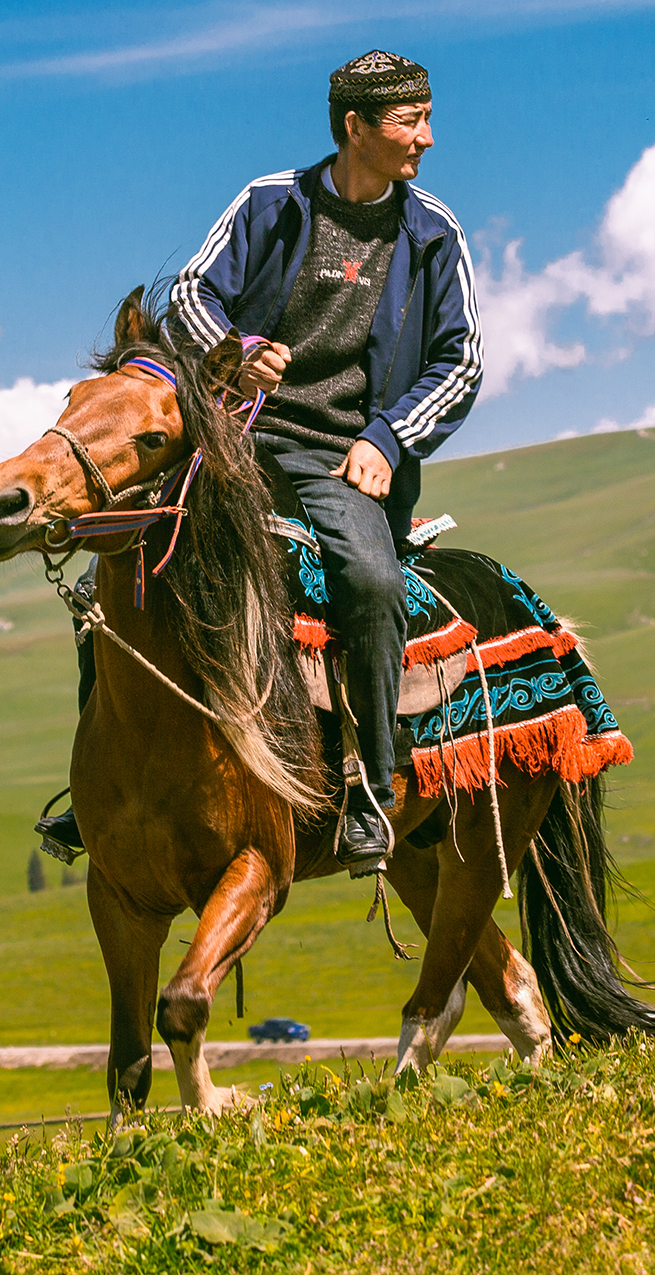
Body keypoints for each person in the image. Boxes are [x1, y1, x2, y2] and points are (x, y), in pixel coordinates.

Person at [166, 50, 481, 873]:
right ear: (355, 127)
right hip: (237, 435)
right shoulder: (270, 202)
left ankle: (373, 787)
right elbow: (190, 294)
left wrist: (387, 439)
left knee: (372, 582)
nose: (428, 137)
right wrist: (234, 351)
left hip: (343, 456)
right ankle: (101, 787)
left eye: (426, 117)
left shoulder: (432, 232)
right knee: (130, 552)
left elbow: (461, 361)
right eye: (411, 121)